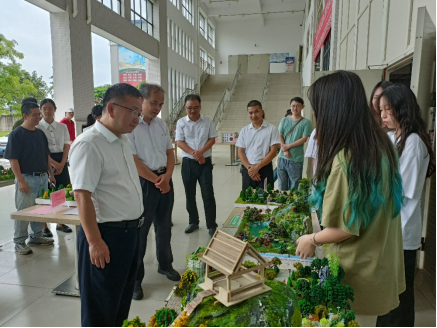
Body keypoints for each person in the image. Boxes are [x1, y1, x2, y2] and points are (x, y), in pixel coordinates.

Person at [296, 71, 405, 327]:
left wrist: (310, 239)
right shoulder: (381, 145)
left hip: (357, 273)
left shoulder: (349, 158)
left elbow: (343, 228)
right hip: (378, 264)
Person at [69, 83, 144, 327]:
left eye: (139, 112)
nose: (137, 118)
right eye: (133, 111)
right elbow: (82, 195)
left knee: (119, 305)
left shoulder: (121, 140)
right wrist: (94, 241)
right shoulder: (89, 143)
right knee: (100, 311)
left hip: (129, 234)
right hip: (106, 237)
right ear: (111, 108)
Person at [376, 84, 436, 328]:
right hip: (390, 228)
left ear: (403, 109)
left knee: (400, 295)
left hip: (401, 231)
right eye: (381, 110)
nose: (382, 115)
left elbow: (401, 192)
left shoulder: (413, 143)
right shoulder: (395, 137)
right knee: (388, 294)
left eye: (387, 110)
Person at [127, 84, 180, 301]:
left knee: (164, 226)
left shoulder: (160, 125)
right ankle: (135, 280)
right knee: (141, 233)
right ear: (142, 100)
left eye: (161, 104)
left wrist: (167, 176)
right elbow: (133, 160)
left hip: (164, 181)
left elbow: (170, 152)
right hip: (144, 184)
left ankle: (165, 265)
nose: (158, 107)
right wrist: (157, 180)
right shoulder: (131, 126)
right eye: (154, 102)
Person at [5, 100, 56, 255]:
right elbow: (13, 160)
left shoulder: (40, 133)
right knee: (24, 211)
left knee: (41, 210)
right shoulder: (16, 135)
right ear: (25, 116)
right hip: (27, 178)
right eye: (35, 115)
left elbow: (46, 156)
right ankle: (19, 242)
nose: (38, 117)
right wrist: (20, 180)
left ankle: (36, 236)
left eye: (38, 114)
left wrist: (51, 174)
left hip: (42, 178)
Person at [176, 94, 218, 238]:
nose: (192, 111)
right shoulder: (181, 122)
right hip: (188, 163)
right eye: (189, 108)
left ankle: (211, 224)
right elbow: (179, 142)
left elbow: (213, 139)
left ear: (200, 107)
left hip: (205, 163)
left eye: (195, 108)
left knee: (208, 194)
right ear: (185, 108)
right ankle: (193, 221)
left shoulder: (207, 121)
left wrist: (201, 153)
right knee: (190, 194)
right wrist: (195, 154)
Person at [37, 99, 73, 235]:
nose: (47, 111)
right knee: (45, 193)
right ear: (41, 110)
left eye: (50, 108)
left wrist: (62, 163)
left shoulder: (62, 127)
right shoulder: (38, 128)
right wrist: (54, 164)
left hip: (61, 160)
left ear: (55, 109)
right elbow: (41, 149)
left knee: (62, 191)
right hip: (46, 159)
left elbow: (66, 146)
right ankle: (44, 226)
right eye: (44, 108)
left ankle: (60, 222)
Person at [237, 100, 280, 190]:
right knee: (247, 200)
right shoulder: (244, 131)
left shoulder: (272, 129)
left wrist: (257, 168)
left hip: (265, 170)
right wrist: (250, 169)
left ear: (262, 112)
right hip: (248, 169)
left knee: (264, 199)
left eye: (256, 111)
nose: (253, 115)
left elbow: (273, 152)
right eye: (250, 113)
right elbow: (240, 152)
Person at [277, 97, 312, 191]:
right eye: (293, 106)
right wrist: (285, 149)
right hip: (282, 158)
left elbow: (304, 139)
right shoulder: (284, 120)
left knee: (295, 185)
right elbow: (280, 135)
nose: (295, 108)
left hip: (295, 159)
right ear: (290, 106)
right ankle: (282, 204)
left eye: (298, 106)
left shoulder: (306, 122)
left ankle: (292, 205)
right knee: (281, 184)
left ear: (303, 107)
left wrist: (288, 146)